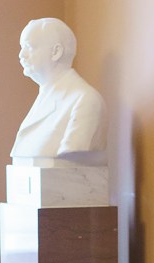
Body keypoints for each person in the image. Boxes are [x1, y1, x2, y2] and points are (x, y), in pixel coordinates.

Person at [11, 18, 106, 165]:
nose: (21, 55)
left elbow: (69, 164)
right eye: (21, 47)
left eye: (29, 47)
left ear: (56, 52)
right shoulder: (45, 96)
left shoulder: (84, 100)